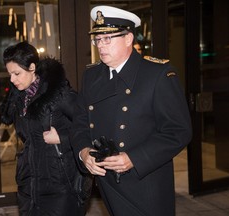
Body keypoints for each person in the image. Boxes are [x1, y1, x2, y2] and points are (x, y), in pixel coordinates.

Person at [71, 5, 192, 216]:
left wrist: (134, 158)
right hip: (108, 182)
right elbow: (80, 122)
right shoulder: (91, 76)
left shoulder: (158, 74)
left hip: (146, 183)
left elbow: (178, 131)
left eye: (108, 38)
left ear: (128, 38)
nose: (101, 45)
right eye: (97, 39)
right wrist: (83, 153)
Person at [0, 41, 84, 216]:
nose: (12, 79)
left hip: (59, 184)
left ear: (32, 67)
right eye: (10, 74)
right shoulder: (19, 99)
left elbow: (90, 125)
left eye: (17, 73)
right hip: (29, 183)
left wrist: (62, 137)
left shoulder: (58, 94)